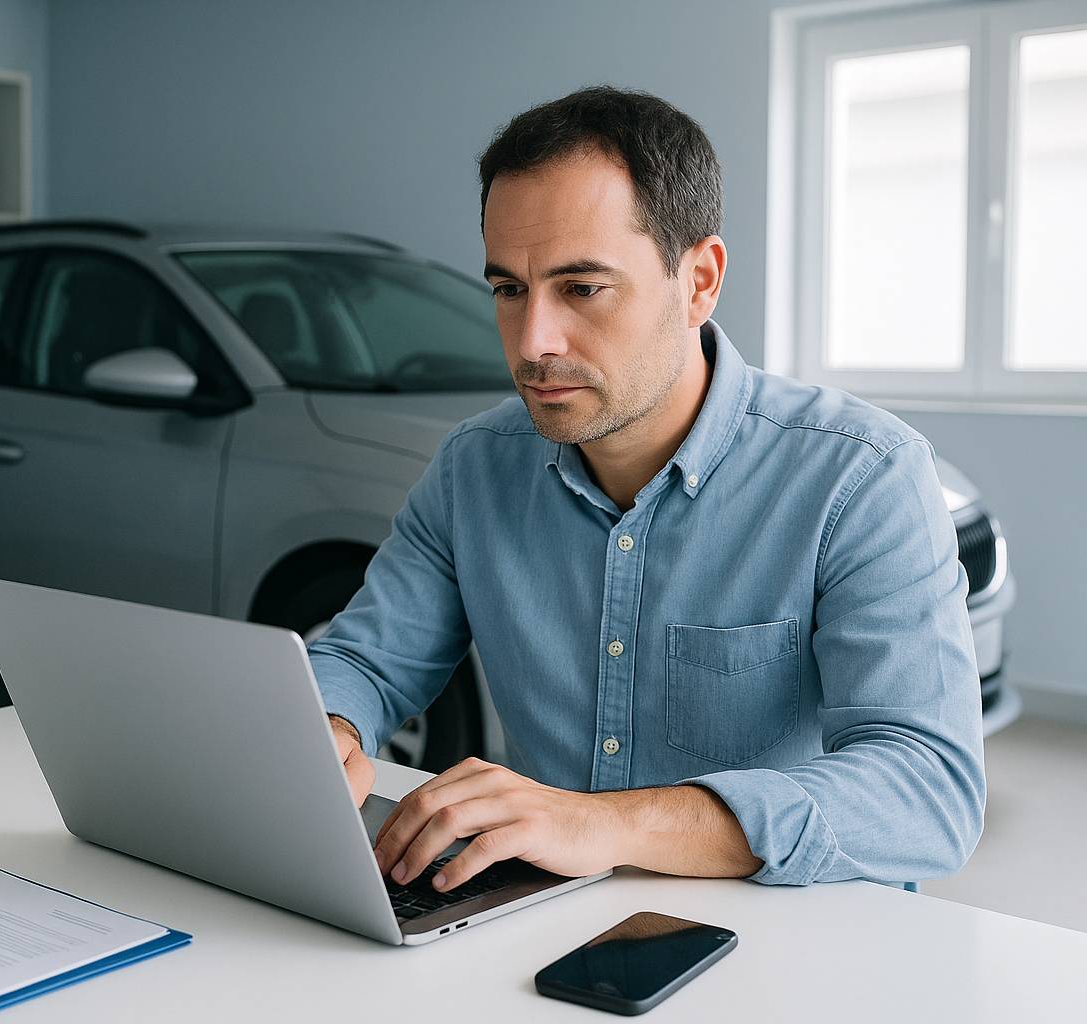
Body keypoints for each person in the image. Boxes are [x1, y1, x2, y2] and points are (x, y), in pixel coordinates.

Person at [310, 85, 984, 893]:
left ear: (698, 280)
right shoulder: (474, 466)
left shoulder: (862, 475)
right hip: (539, 923)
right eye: (508, 290)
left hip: (786, 943)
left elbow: (928, 792)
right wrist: (328, 723)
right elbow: (365, 657)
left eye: (583, 288)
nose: (534, 343)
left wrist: (608, 824)